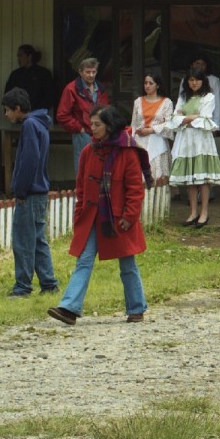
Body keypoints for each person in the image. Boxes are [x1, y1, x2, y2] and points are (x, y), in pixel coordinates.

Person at [47, 105, 148, 326]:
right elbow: (81, 189)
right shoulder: (87, 151)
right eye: (91, 124)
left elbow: (135, 190)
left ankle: (136, 308)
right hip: (92, 217)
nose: (92, 128)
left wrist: (129, 217)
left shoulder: (127, 151)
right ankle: (69, 308)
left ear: (110, 127)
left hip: (119, 219)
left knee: (127, 264)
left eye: (97, 124)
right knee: (84, 260)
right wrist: (79, 215)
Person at [2, 88, 58, 297]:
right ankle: (49, 283)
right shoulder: (40, 123)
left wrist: (21, 189)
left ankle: (22, 287)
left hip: (30, 192)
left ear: (17, 108)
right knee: (37, 239)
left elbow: (29, 160)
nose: (6, 115)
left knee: (23, 240)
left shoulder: (28, 125)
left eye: (7, 110)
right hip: (40, 190)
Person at [170, 65, 220, 226]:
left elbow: (205, 119)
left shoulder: (209, 97)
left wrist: (185, 118)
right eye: (191, 80)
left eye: (197, 80)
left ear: (203, 81)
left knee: (202, 177)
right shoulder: (183, 96)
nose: (194, 83)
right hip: (186, 140)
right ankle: (193, 212)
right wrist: (190, 118)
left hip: (201, 140)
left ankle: (204, 212)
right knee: (190, 178)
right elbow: (174, 119)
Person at [55, 58, 109, 174]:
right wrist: (79, 128)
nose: (91, 75)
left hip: (101, 133)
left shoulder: (101, 88)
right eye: (87, 72)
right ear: (80, 72)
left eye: (93, 72)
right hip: (83, 133)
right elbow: (62, 115)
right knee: (84, 168)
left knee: (101, 167)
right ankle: (83, 192)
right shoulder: (71, 89)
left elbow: (106, 111)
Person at [129, 71, 174, 188]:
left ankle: (158, 202)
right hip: (140, 143)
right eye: (145, 83)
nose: (147, 86)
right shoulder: (138, 101)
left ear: (158, 85)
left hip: (158, 142)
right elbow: (133, 124)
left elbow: (169, 123)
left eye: (151, 83)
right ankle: (142, 202)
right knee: (140, 175)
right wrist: (132, 141)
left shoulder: (166, 102)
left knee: (158, 176)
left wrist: (151, 130)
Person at [6, 45, 57, 113]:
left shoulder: (43, 74)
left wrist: (37, 111)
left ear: (29, 56)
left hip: (37, 116)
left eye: (21, 55)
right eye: (18, 56)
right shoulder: (15, 75)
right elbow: (8, 95)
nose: (18, 59)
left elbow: (50, 96)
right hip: (18, 116)